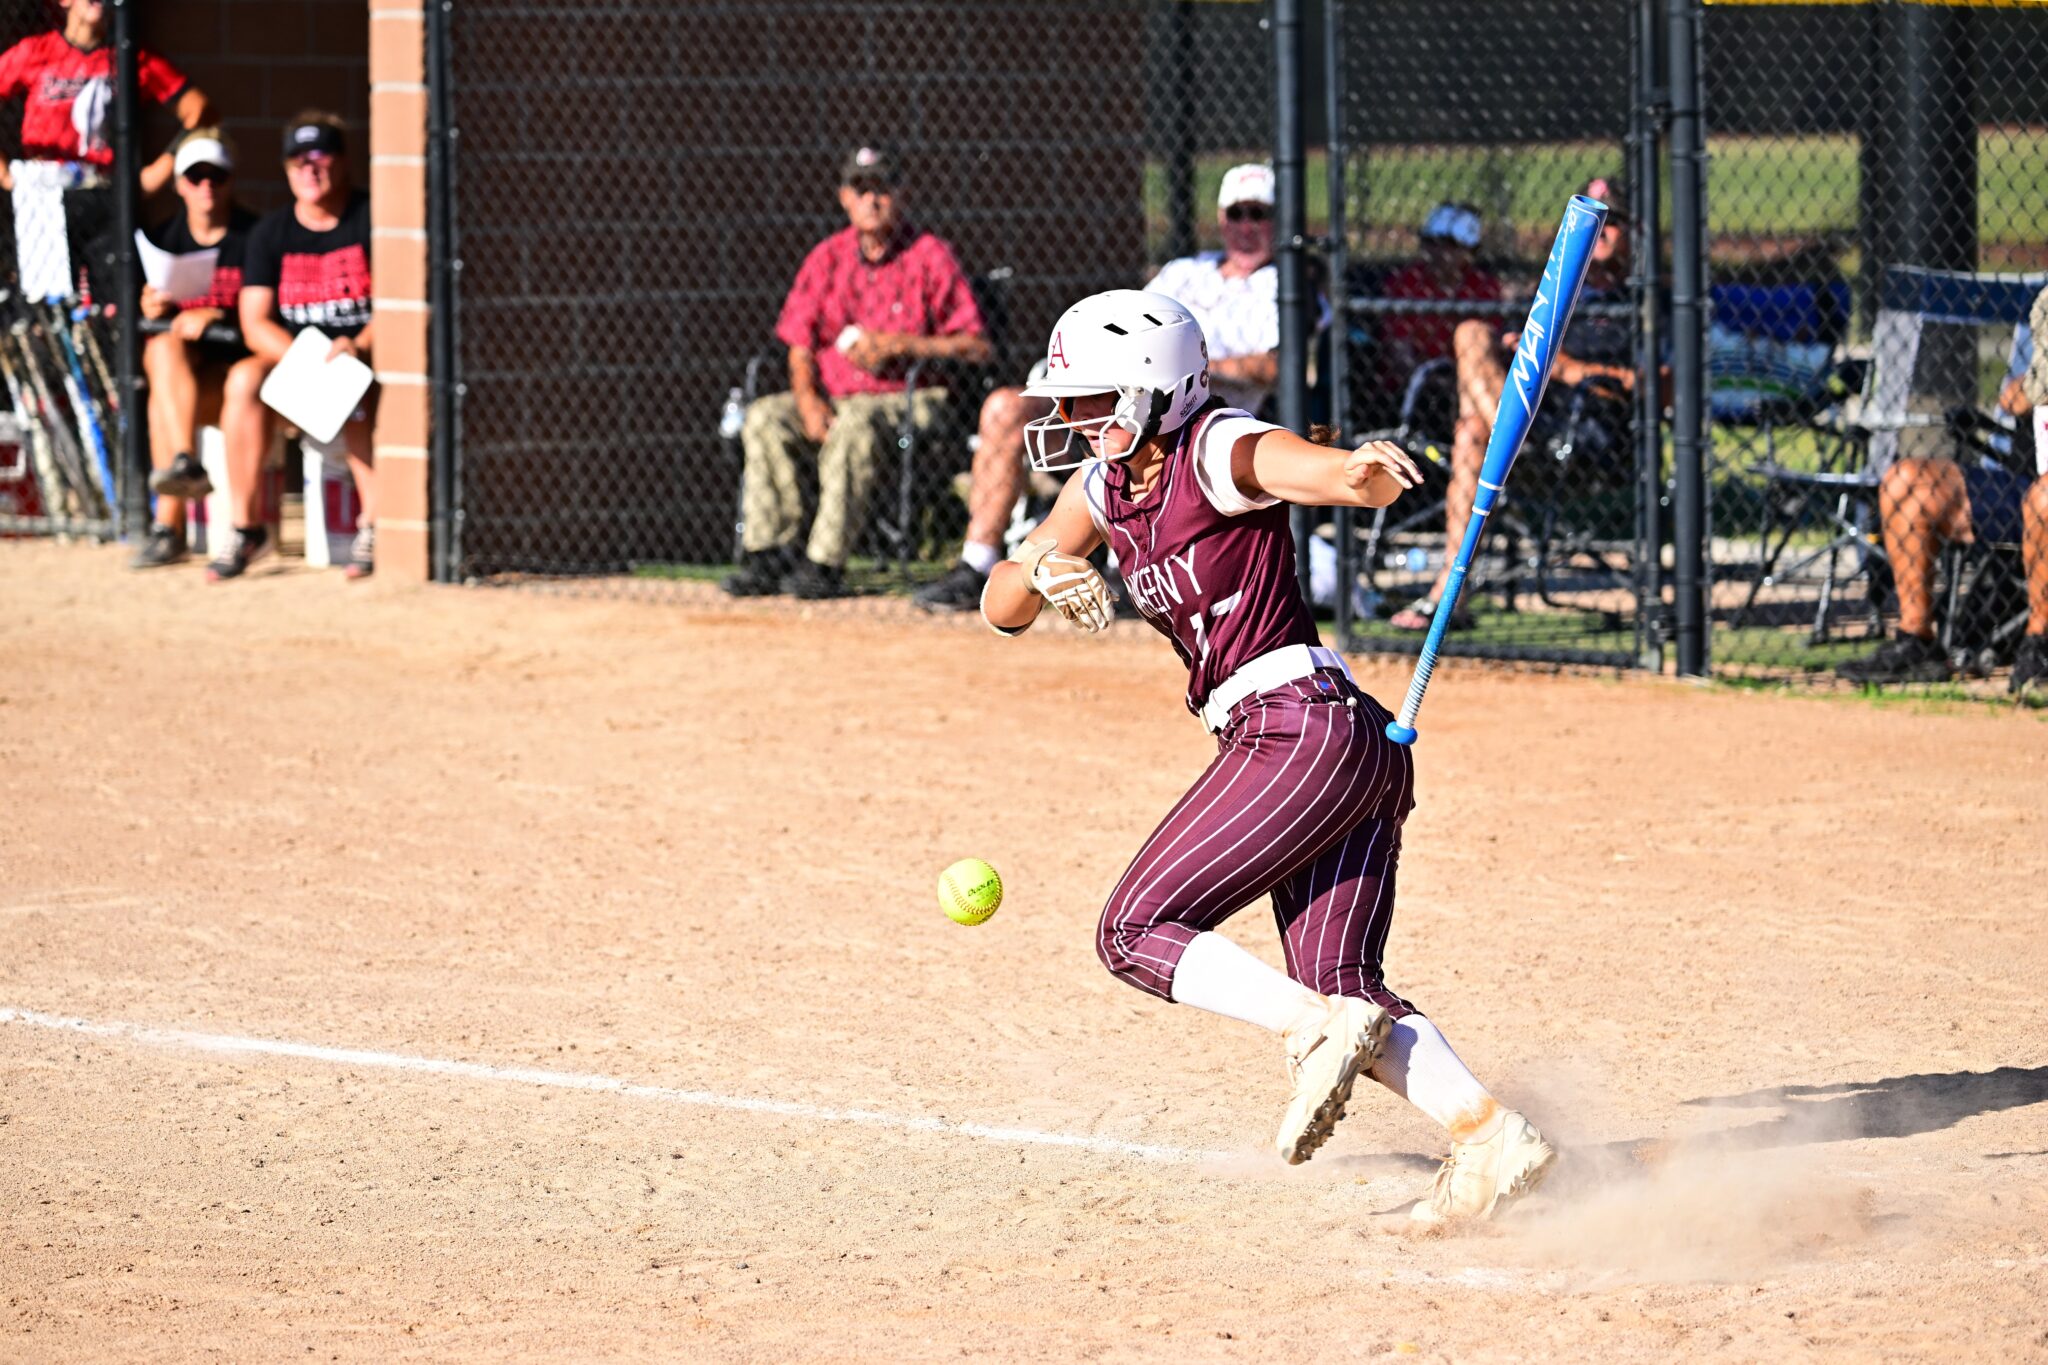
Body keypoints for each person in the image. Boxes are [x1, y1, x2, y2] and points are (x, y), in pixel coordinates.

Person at [977, 288, 1557, 1225]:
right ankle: (1490, 1132)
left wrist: (1359, 469)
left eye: (1095, 401)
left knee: (1133, 931)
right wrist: (1041, 567)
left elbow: (1307, 470)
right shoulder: (1102, 483)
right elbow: (1000, 607)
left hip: (1294, 731)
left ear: (1157, 393)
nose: (1077, 420)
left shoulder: (1213, 443)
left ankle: (1310, 1028)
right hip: (1344, 744)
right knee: (1346, 985)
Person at [914, 163, 1284, 613]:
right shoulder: (1186, 271)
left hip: (1185, 425)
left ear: (1279, 221)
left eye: (1260, 214)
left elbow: (1278, 366)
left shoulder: (1285, 283)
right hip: (1121, 395)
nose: (1247, 226)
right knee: (1003, 407)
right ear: (1222, 218)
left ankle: (1125, 571)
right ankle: (978, 563)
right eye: (1238, 213)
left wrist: (1180, 366)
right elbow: (1126, 332)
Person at [723, 146, 990, 601]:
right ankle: (770, 553)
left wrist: (901, 344)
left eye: (882, 189)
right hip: (832, 393)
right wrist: (807, 400)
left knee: (856, 423)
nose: (872, 201)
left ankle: (824, 562)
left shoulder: (930, 256)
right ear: (845, 197)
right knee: (766, 416)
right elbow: (798, 346)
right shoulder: (827, 257)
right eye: (862, 190)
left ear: (901, 195)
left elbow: (977, 347)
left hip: (910, 398)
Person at [1389, 176, 1637, 632]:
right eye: (1589, 221)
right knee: (1470, 338)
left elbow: (1655, 387)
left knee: (1471, 434)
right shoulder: (1549, 291)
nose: (1599, 232)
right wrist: (1509, 346)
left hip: (1585, 432)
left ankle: (1450, 589)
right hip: (1526, 412)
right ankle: (1509, 433)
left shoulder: (1646, 298)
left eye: (1613, 222)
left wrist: (1565, 368)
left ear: (1631, 232)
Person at [1835, 324, 2048, 694]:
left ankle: (2041, 646)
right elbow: (2014, 397)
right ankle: (1917, 641)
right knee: (1907, 482)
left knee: (2045, 498)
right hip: (2022, 482)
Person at [211, 112, 374, 582]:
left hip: (357, 357)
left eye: (321, 155)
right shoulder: (270, 232)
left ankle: (375, 526)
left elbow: (393, 306)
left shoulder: (367, 218)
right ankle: (245, 527)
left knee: (352, 384)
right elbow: (254, 320)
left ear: (343, 162)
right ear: (285, 169)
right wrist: (305, 362)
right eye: (298, 160)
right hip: (298, 362)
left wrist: (355, 345)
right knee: (243, 379)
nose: (310, 168)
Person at [0, 0, 212, 298]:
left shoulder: (128, 57)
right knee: (47, 301)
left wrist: (155, 173)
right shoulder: (37, 51)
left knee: (113, 299)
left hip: (104, 190)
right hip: (43, 194)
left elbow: (199, 110)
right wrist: (5, 174)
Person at [129, 129, 258, 569]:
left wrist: (216, 316)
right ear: (180, 183)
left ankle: (169, 527)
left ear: (231, 180)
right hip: (190, 381)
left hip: (239, 378)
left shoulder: (252, 237)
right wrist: (155, 306)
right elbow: (156, 328)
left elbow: (268, 319)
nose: (206, 186)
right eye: (196, 176)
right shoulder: (164, 238)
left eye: (216, 177)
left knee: (162, 405)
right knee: (161, 349)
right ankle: (186, 462)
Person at [1376, 202, 1503, 404]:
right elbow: (1400, 356)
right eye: (1432, 242)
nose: (1440, 252)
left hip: (1471, 379)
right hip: (1416, 388)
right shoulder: (1406, 283)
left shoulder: (1483, 286)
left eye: (1451, 245)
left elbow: (1491, 349)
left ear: (1469, 251)